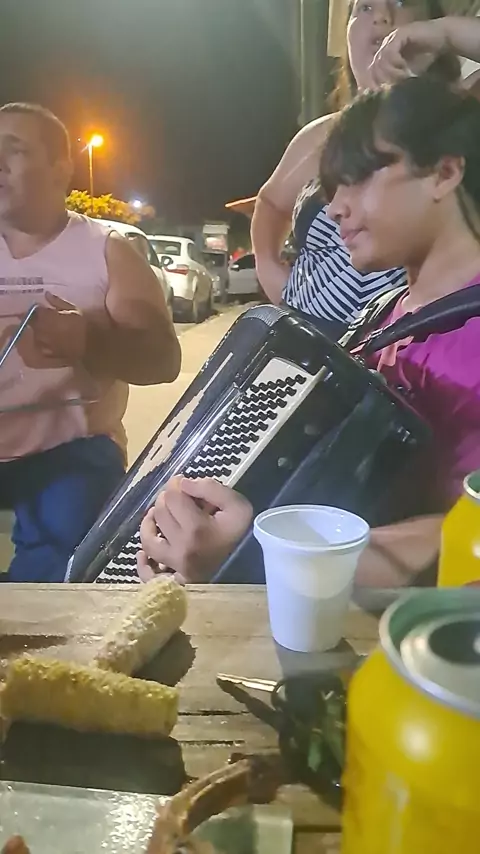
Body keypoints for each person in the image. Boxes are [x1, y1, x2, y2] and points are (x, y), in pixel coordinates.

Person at [137, 75, 480, 588]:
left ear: (444, 172)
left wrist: (263, 556)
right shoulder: (384, 315)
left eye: (358, 178)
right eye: (332, 188)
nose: (335, 206)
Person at [0, 102, 181, 583]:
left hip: (69, 452)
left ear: (61, 168)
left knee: (70, 542)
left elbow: (164, 360)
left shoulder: (107, 251)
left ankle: (29, 620)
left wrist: (89, 341)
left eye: (14, 150)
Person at [251, 0, 461, 337]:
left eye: (401, 2)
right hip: (300, 345)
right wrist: (274, 277)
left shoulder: (461, 119)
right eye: (364, 7)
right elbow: (270, 203)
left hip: (407, 352)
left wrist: (446, 32)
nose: (381, 16)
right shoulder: (319, 135)